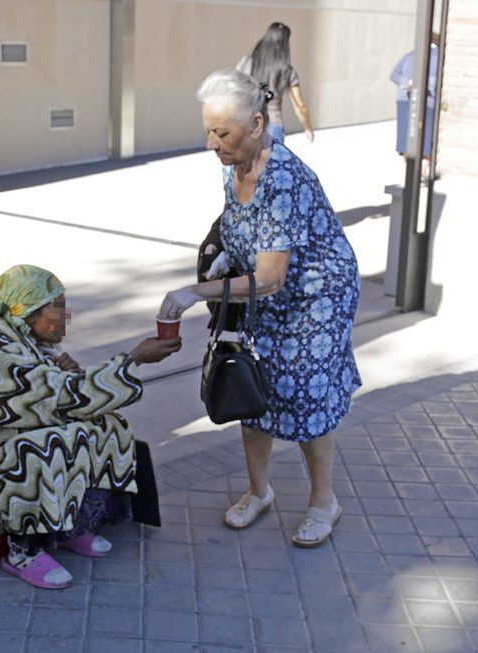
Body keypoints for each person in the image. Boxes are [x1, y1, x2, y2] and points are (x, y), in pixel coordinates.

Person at [158, 69, 362, 548]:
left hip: (316, 296)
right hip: (264, 292)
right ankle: (259, 492)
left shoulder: (284, 178)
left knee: (307, 397)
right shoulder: (236, 164)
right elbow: (239, 226)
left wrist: (194, 293)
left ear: (254, 124)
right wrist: (227, 254)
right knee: (251, 383)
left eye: (221, 133)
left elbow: (270, 278)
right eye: (208, 130)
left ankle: (323, 503)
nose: (211, 143)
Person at [0, 264, 181, 589]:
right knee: (39, 449)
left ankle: (69, 528)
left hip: (1, 474)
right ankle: (21, 552)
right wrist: (133, 359)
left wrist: (70, 374)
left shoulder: (29, 345)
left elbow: (64, 403)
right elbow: (68, 399)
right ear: (28, 314)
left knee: (104, 425)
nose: (66, 317)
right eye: (59, 308)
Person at [236, 22, 313, 144]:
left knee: (241, 162)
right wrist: (308, 128)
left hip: (246, 123)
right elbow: (300, 106)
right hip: (274, 126)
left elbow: (232, 90)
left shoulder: (246, 63)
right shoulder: (287, 70)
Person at [390, 33, 440, 178]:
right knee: (425, 137)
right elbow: (434, 81)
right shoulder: (437, 57)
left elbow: (393, 74)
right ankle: (422, 171)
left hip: (404, 99)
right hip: (426, 101)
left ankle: (411, 173)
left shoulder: (410, 55)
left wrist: (406, 83)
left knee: (406, 137)